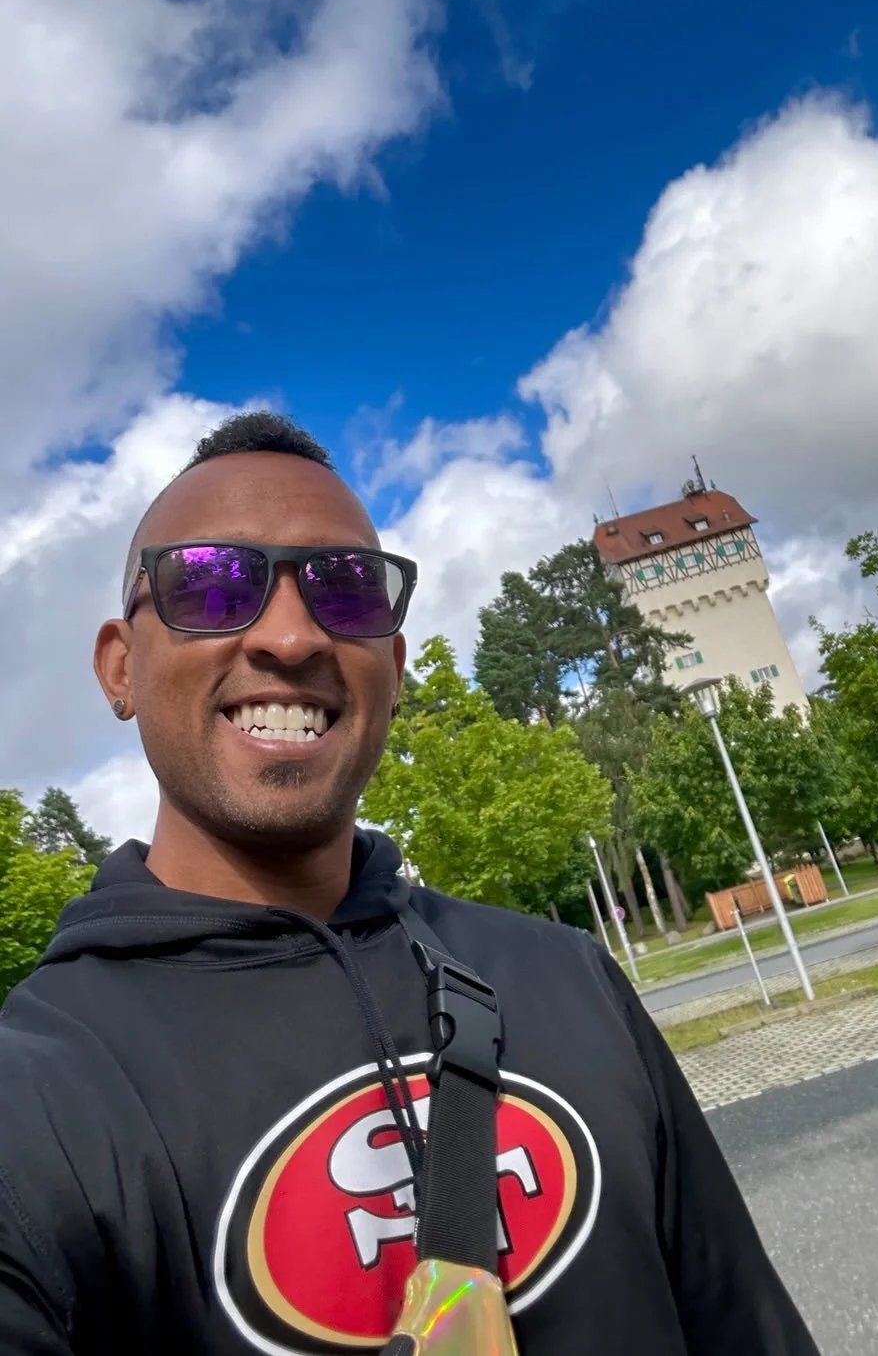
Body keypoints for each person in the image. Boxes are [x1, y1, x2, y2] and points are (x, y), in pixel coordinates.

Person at [0, 413, 820, 1355]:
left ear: (390, 664)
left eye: (344, 591)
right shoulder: (39, 1100)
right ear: (119, 666)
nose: (290, 633)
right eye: (214, 585)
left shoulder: (569, 978)